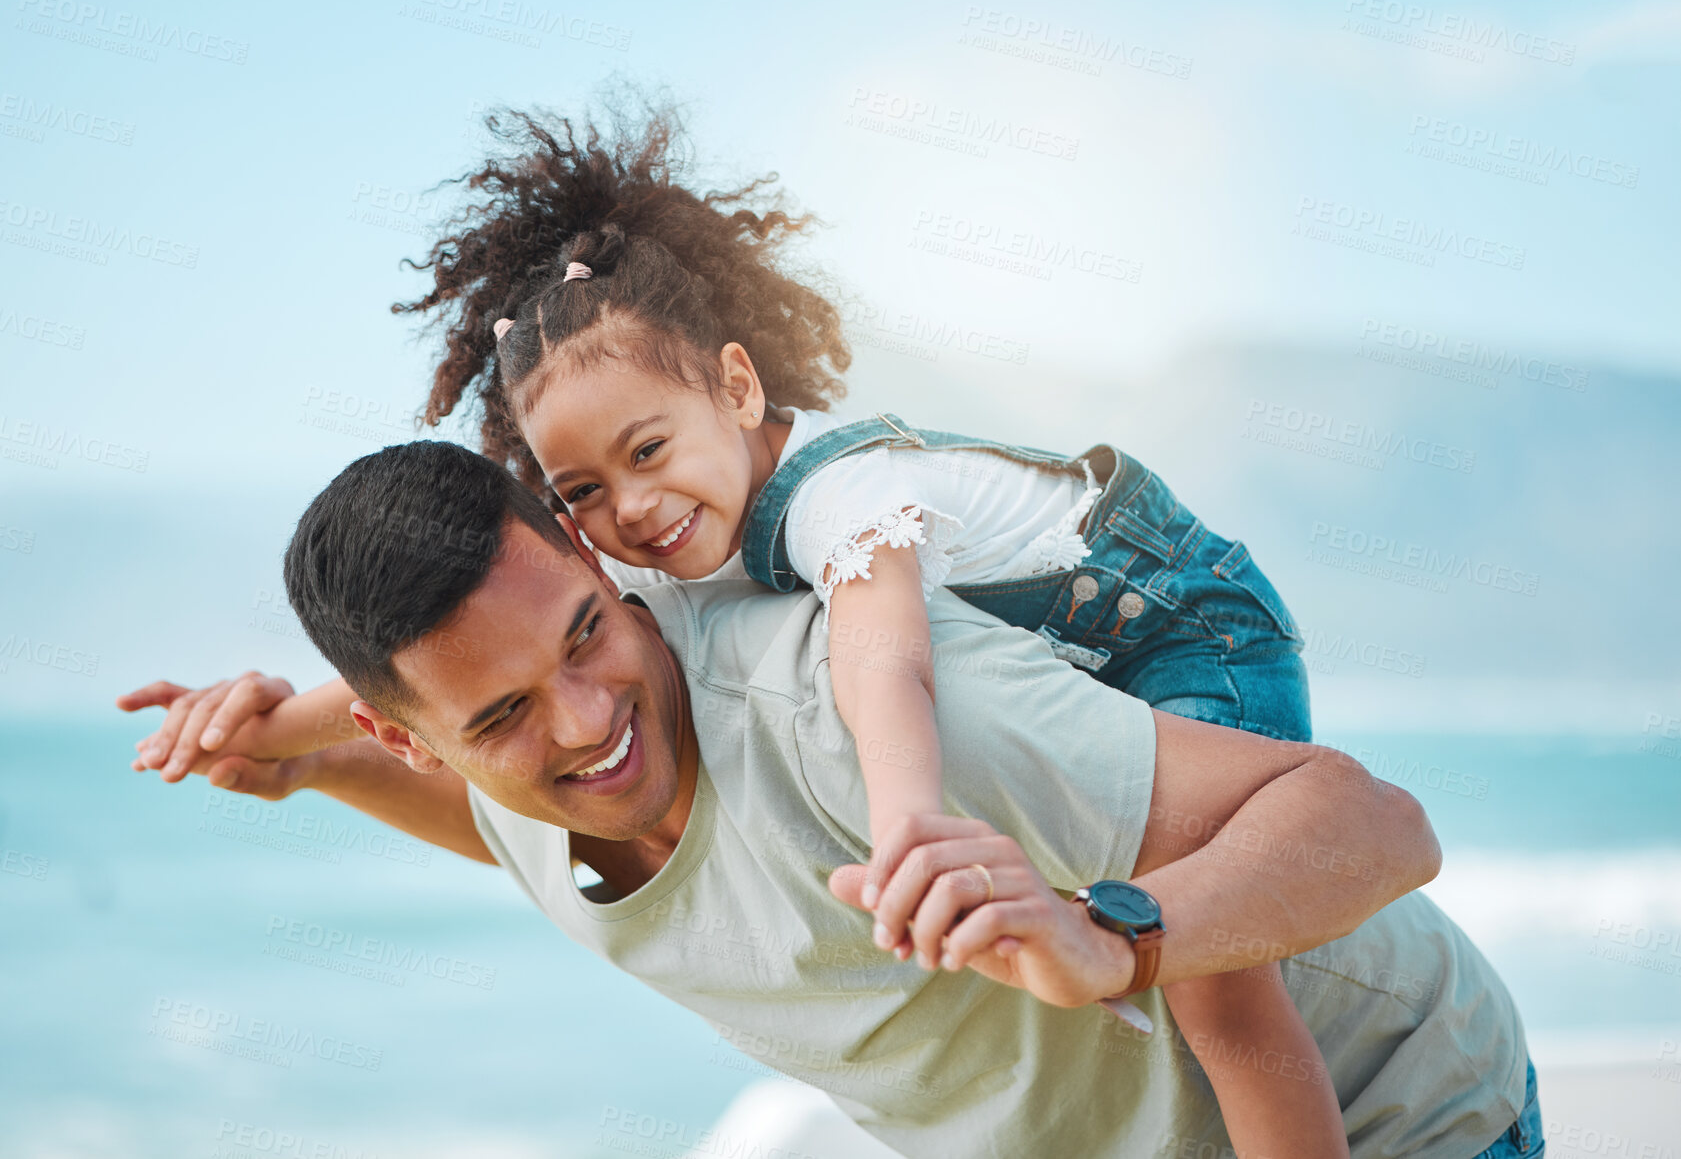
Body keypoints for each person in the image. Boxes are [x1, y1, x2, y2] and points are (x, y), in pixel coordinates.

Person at [125, 105, 1343, 1155]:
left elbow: (888, 668)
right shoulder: (654, 577)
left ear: (741, 387)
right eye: (585, 493)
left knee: (1220, 992)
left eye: (647, 452)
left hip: (1180, 632)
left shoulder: (833, 508)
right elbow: (470, 719)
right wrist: (281, 737)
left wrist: (909, 815)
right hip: (1089, 664)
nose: (633, 512)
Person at [126, 439, 1541, 1157]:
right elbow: (548, 847)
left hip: (1394, 1115)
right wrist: (306, 765)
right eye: (501, 716)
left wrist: (1118, 933)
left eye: (586, 636)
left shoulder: (836, 710)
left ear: (587, 551)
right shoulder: (523, 791)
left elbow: (1374, 821)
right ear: (412, 738)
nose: (587, 720)